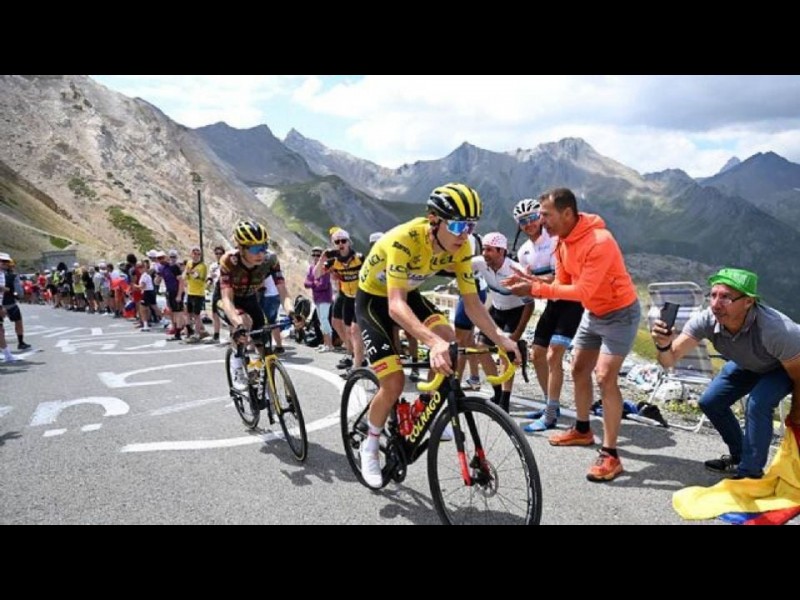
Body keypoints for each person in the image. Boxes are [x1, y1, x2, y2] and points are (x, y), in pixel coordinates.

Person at [356, 182, 521, 488]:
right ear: (434, 220)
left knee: (452, 343)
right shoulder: (404, 240)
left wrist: (502, 339)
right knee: (393, 383)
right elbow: (395, 306)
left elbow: (473, 304)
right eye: (457, 225)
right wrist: (431, 343)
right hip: (374, 301)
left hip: (410, 294)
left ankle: (426, 409)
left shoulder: (463, 248)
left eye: (470, 226)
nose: (464, 234)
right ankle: (371, 442)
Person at [504, 187, 640, 483]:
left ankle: (611, 454)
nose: (541, 221)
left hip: (620, 313)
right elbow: (562, 283)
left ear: (567, 213)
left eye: (546, 215)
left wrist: (535, 288)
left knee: (604, 377)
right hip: (594, 312)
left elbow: (583, 291)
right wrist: (531, 280)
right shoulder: (562, 242)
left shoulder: (599, 241)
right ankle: (582, 429)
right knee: (579, 369)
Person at [651, 267, 800, 479]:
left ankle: (749, 474)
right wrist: (664, 345)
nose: (715, 304)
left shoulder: (776, 329)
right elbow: (669, 361)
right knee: (710, 402)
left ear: (748, 302)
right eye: (713, 295)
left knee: (758, 404)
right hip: (747, 363)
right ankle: (739, 458)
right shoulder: (705, 320)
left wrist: (796, 412)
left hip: (782, 367)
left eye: (726, 297)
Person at [513, 197, 584, 433]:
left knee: (554, 355)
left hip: (571, 302)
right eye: (523, 221)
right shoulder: (524, 252)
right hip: (552, 304)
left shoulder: (555, 240)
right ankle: (549, 404)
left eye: (533, 217)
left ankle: (551, 415)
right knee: (537, 355)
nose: (529, 224)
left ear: (541, 217)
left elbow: (558, 278)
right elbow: (533, 287)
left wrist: (530, 281)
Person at [216, 221, 293, 390]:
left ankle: (266, 387)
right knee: (244, 323)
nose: (261, 253)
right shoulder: (229, 261)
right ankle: (237, 367)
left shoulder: (270, 260)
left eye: (264, 246)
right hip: (228, 300)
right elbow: (227, 299)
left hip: (250, 298)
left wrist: (292, 313)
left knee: (264, 344)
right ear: (241, 248)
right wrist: (238, 325)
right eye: (255, 248)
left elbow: (283, 292)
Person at [470, 232, 535, 412]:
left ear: (501, 251)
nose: (485, 253)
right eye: (484, 249)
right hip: (497, 310)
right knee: (480, 347)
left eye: (489, 250)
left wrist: (516, 335)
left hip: (516, 312)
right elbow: (456, 266)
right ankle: (497, 392)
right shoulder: (480, 263)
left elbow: (530, 305)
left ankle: (505, 399)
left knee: (505, 353)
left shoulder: (515, 270)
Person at [304, 247, 334, 352]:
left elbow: (323, 285)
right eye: (314, 255)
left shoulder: (325, 268)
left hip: (325, 298)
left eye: (318, 255)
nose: (316, 257)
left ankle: (329, 344)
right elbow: (306, 283)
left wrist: (313, 284)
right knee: (321, 321)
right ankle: (325, 343)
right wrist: (315, 283)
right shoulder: (312, 268)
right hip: (317, 298)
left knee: (324, 320)